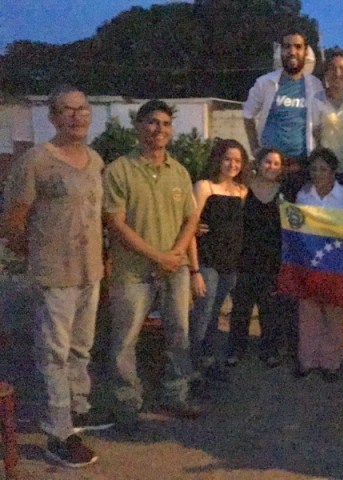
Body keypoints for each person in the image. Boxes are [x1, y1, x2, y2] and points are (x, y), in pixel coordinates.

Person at [2, 86, 111, 467]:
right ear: (52, 117)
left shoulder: (95, 160)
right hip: (54, 276)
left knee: (81, 349)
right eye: (67, 110)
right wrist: (35, 255)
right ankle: (57, 433)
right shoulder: (36, 161)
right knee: (54, 355)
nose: (76, 116)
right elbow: (14, 221)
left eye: (82, 109)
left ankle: (77, 413)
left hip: (89, 272)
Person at [103, 100, 201, 432]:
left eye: (165, 124)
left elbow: (191, 218)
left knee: (179, 336)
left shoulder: (180, 171)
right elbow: (116, 223)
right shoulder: (119, 170)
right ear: (138, 126)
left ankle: (177, 395)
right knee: (124, 341)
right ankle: (127, 405)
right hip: (133, 272)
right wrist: (158, 257)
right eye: (152, 123)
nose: (159, 129)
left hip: (175, 269)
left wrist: (174, 255)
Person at [226, 148, 297, 367]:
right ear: (259, 163)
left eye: (277, 164)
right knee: (241, 309)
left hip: (272, 260)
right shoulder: (243, 190)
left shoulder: (284, 193)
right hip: (245, 258)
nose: (272, 167)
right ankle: (236, 349)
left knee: (270, 310)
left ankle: (269, 350)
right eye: (268, 162)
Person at [188, 139, 248, 380]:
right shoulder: (204, 187)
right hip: (206, 261)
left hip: (230, 263)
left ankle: (209, 361)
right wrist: (194, 270)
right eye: (228, 159)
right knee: (202, 314)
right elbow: (190, 227)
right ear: (218, 159)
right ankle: (190, 368)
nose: (232, 164)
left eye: (237, 160)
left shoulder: (242, 191)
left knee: (215, 314)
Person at [243, 29, 323, 197]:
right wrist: (255, 149)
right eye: (287, 47)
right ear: (281, 51)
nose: (292, 52)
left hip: (301, 166)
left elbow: (319, 125)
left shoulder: (315, 85)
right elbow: (248, 114)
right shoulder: (265, 83)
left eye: (297, 46)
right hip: (271, 167)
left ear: (305, 51)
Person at [295, 148, 343, 381]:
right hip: (309, 260)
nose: (318, 173)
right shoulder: (303, 195)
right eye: (314, 169)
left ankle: (331, 363)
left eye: (324, 169)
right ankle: (307, 360)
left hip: (336, 261)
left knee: (334, 315)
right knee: (309, 312)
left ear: (333, 171)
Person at [312, 48, 343, 174]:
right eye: (332, 68)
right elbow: (315, 137)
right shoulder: (317, 100)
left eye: (342, 68)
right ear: (326, 73)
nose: (337, 73)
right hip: (327, 173)